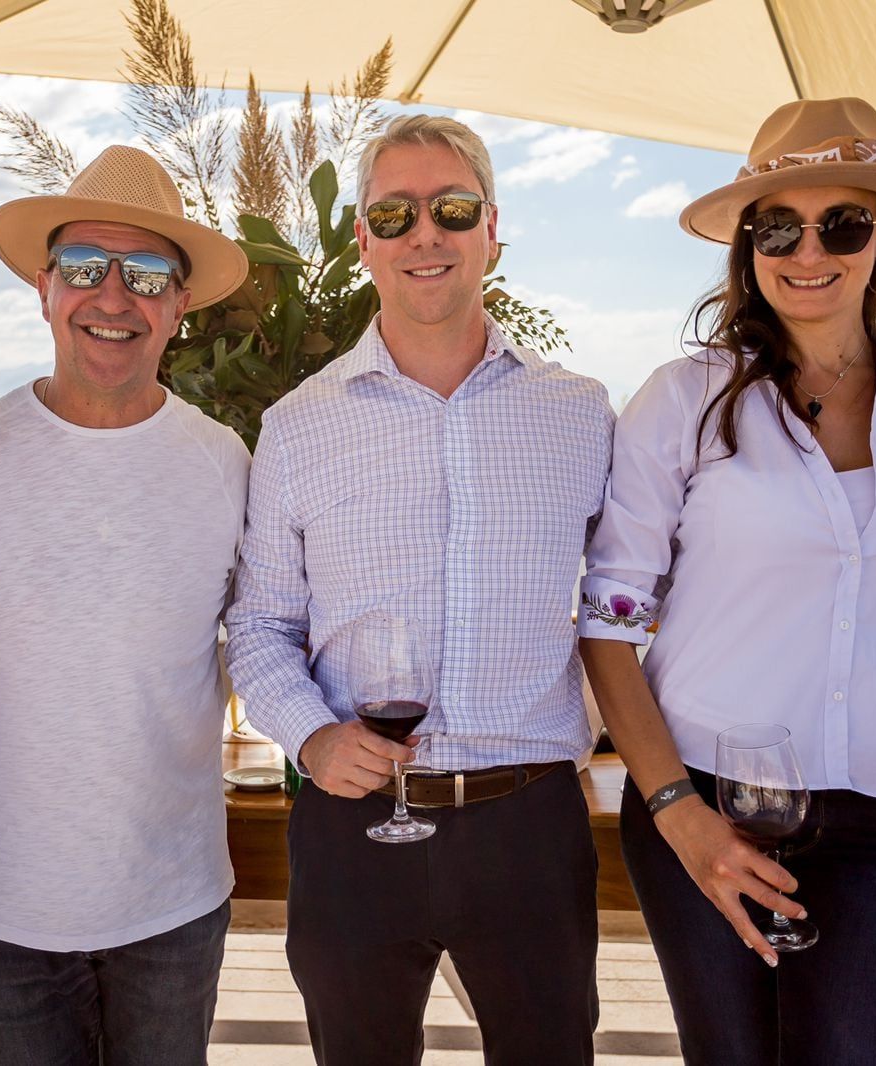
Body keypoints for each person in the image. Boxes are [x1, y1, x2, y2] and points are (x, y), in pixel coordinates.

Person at [578, 97, 876, 1065]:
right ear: (746, 243)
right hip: (707, 803)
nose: (806, 250)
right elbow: (607, 624)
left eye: (840, 223)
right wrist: (677, 814)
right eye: (777, 225)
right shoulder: (681, 402)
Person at [225, 114, 615, 1065]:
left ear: (492, 228)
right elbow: (259, 624)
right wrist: (311, 735)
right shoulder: (297, 427)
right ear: (361, 240)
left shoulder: (582, 415)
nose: (422, 235)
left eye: (450, 208)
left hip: (529, 822)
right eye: (393, 215)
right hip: (354, 820)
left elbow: (628, 605)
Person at [0, 145, 251, 1065]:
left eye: (147, 273)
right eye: (84, 268)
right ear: (44, 289)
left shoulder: (224, 464)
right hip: (5, 901)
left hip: (175, 897)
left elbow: (268, 637)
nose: (113, 297)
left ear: (180, 306)